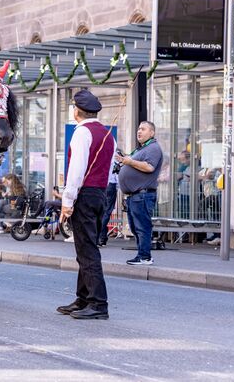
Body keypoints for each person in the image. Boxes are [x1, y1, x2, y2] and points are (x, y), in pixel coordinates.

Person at [57, 90, 115, 320]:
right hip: (100, 193)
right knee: (85, 246)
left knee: (87, 250)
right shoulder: (108, 134)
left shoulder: (82, 133)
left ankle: (98, 303)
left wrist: (67, 200)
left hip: (84, 194)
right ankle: (83, 298)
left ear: (76, 111)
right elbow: (109, 170)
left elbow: (76, 170)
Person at [116, 121, 163, 266]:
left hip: (142, 195)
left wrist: (129, 162)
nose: (139, 131)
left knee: (142, 227)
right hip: (134, 196)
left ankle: (145, 256)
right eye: (138, 129)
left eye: (143, 129)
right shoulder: (142, 149)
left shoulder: (153, 148)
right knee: (136, 227)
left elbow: (149, 167)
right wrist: (124, 161)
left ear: (152, 132)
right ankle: (142, 254)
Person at [98, 169, 118, 247]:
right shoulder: (116, 157)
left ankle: (101, 236)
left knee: (101, 211)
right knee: (107, 211)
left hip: (101, 184)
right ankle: (101, 237)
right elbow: (117, 173)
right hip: (111, 184)